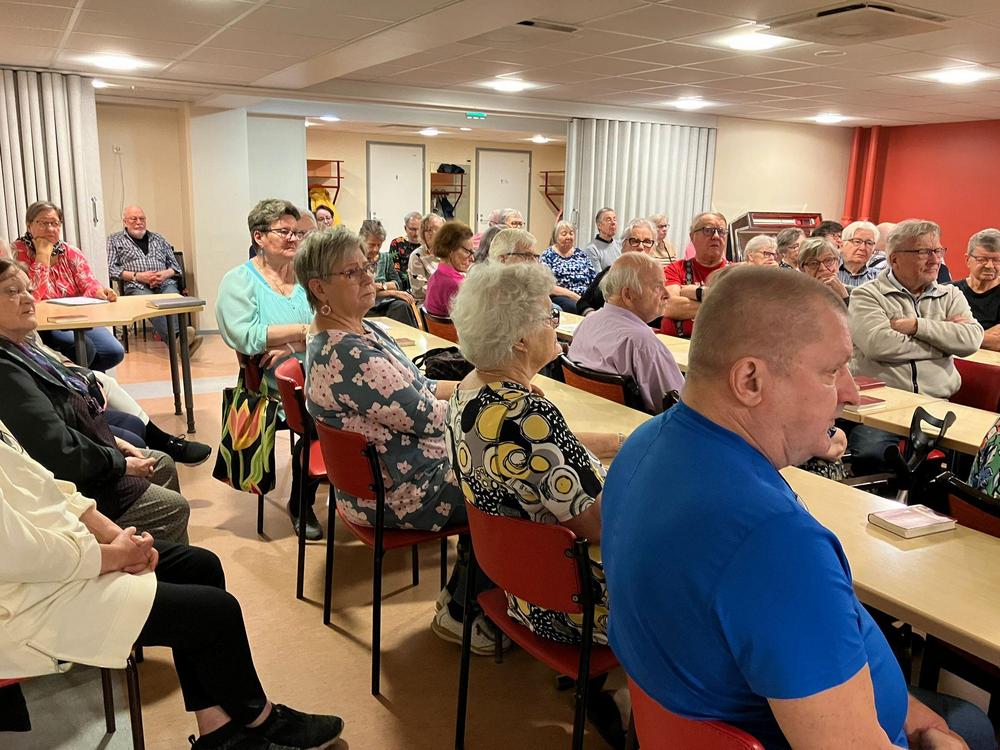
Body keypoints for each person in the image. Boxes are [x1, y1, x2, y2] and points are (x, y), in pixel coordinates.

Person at [601, 266, 996, 750]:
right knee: (973, 724)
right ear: (750, 380)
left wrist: (912, 713)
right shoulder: (773, 542)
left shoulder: (644, 445)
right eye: (832, 372)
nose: (851, 392)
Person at [0, 422, 345, 750]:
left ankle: (218, 730)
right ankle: (260, 718)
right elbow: (18, 553)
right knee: (216, 614)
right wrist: (115, 556)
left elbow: (48, 486)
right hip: (26, 601)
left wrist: (119, 538)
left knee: (201, 567)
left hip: (63, 561)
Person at [295, 225, 504, 654]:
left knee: (496, 463)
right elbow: (430, 418)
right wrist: (498, 406)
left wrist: (489, 388)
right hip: (399, 492)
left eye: (366, 266)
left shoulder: (359, 331)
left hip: (397, 475)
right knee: (507, 484)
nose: (368, 277)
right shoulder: (348, 355)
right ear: (319, 288)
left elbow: (419, 387)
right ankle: (464, 611)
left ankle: (462, 595)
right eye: (352, 272)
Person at [0, 259, 190, 543]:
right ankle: (150, 561)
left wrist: (115, 441)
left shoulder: (24, 345)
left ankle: (160, 557)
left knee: (161, 462)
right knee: (173, 507)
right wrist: (120, 463)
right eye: (12, 291)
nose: (28, 298)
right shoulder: (6, 370)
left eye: (28, 289)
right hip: (74, 483)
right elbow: (57, 450)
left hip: (90, 454)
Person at [216, 199, 320, 541]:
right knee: (322, 421)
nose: (293, 238)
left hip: (320, 373)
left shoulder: (305, 277)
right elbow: (246, 336)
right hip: (272, 388)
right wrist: (303, 332)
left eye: (296, 232)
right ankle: (301, 504)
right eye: (283, 231)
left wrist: (290, 345)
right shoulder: (239, 281)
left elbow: (329, 325)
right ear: (258, 237)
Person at [848, 220, 984, 463]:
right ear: (894, 259)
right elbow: (878, 345)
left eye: (938, 250)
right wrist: (944, 344)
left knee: (978, 456)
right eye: (924, 252)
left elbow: (971, 340)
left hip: (938, 405)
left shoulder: (950, 294)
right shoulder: (867, 295)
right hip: (883, 407)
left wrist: (916, 326)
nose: (935, 259)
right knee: (873, 454)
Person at [12, 201, 124, 371]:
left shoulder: (70, 251)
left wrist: (100, 291)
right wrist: (42, 256)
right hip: (43, 322)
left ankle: (81, 380)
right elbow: (32, 295)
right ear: (29, 225)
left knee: (114, 352)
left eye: (55, 223)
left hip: (75, 316)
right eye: (43, 223)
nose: (50, 229)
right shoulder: (16, 252)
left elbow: (88, 282)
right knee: (85, 349)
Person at [568, 253, 682, 414]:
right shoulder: (641, 342)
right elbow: (679, 406)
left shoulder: (586, 323)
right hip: (634, 425)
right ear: (628, 295)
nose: (667, 294)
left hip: (586, 415)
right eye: (657, 286)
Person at [106, 204, 202, 354]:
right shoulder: (114, 240)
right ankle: (179, 340)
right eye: (133, 219)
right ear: (125, 221)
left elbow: (175, 267)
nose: (139, 222)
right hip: (136, 285)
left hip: (164, 282)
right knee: (149, 302)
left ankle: (179, 343)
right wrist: (137, 276)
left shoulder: (158, 238)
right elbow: (111, 268)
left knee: (172, 298)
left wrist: (165, 274)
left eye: (142, 218)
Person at [659, 211, 729, 338]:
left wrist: (693, 292)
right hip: (676, 343)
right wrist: (721, 304)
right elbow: (669, 306)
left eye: (721, 231)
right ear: (692, 237)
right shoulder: (675, 269)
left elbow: (740, 312)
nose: (716, 236)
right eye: (708, 230)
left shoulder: (735, 274)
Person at [577, 218, 657, 317]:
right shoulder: (609, 272)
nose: (641, 247)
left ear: (653, 248)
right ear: (623, 246)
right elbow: (583, 302)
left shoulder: (657, 282)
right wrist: (590, 314)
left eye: (647, 241)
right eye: (635, 241)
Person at [358, 219, 418, 326]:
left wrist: (380, 286)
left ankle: (407, 336)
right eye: (371, 245)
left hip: (384, 303)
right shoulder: (355, 260)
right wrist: (391, 291)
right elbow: (362, 290)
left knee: (402, 306)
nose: (376, 249)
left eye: (379, 245)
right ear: (361, 241)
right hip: (363, 305)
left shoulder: (386, 258)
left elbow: (397, 284)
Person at [954, 228, 1000, 351]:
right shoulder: (949, 291)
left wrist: (959, 334)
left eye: (997, 260)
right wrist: (987, 337)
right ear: (968, 260)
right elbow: (937, 334)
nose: (990, 266)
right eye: (982, 259)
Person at [540, 221, 596, 312]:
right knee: (573, 307)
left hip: (584, 297)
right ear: (556, 237)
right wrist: (575, 296)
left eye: (571, 233)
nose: (568, 237)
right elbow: (547, 286)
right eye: (564, 234)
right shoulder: (548, 255)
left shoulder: (581, 254)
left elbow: (593, 279)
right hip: (561, 297)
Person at [423, 220, 473, 317]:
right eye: (468, 252)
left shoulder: (435, 277)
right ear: (450, 249)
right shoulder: (454, 284)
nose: (472, 258)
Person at [798, 237, 850, 305]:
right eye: (813, 263)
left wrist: (845, 298)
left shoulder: (855, 294)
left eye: (828, 260)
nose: (822, 268)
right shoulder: (795, 298)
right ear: (802, 269)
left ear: (837, 264)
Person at [407, 213, 444, 304]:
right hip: (428, 303)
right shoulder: (417, 256)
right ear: (423, 234)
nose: (434, 233)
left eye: (438, 229)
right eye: (429, 230)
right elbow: (419, 291)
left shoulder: (450, 252)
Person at [839, 221, 881, 289]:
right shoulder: (828, 272)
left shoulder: (878, 279)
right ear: (842, 244)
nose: (863, 248)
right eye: (857, 241)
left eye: (869, 243)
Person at [387, 211, 422, 290]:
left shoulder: (426, 245)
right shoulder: (396, 243)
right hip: (403, 284)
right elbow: (395, 271)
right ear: (405, 228)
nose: (416, 233)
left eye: (419, 229)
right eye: (413, 229)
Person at [584, 208, 620, 273]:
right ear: (599, 225)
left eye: (614, 219)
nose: (613, 223)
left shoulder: (619, 245)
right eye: (609, 220)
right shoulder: (591, 249)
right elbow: (598, 276)